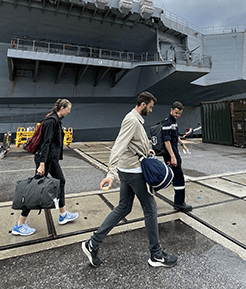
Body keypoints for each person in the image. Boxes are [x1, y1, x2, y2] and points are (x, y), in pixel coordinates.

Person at [81, 92, 178, 268]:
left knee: (123, 208)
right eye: (150, 106)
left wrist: (146, 150)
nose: (151, 109)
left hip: (128, 169)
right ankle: (156, 255)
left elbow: (131, 144)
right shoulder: (132, 120)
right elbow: (118, 146)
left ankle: (92, 243)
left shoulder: (134, 119)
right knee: (150, 209)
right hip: (134, 172)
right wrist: (110, 174)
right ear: (142, 104)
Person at [11, 98, 79, 236]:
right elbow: (46, 143)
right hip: (46, 159)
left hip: (52, 159)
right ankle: (19, 225)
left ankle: (63, 214)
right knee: (35, 189)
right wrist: (41, 164)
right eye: (68, 108)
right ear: (62, 108)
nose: (69, 111)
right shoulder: (51, 121)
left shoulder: (56, 121)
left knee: (61, 182)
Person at [160, 102, 192, 212]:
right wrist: (172, 157)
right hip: (170, 154)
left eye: (179, 114)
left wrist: (182, 144)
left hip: (174, 152)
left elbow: (175, 136)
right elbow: (166, 141)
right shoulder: (167, 122)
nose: (178, 115)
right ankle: (179, 203)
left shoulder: (173, 122)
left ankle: (179, 202)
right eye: (176, 112)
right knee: (178, 177)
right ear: (171, 110)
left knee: (174, 176)